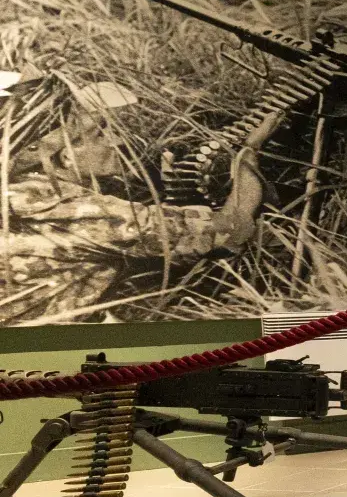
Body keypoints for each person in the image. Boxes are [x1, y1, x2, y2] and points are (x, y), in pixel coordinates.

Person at [1, 76, 282, 325]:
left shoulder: (17, 191)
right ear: (63, 155)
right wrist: (249, 153)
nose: (119, 140)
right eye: (101, 133)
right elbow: (230, 229)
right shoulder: (71, 209)